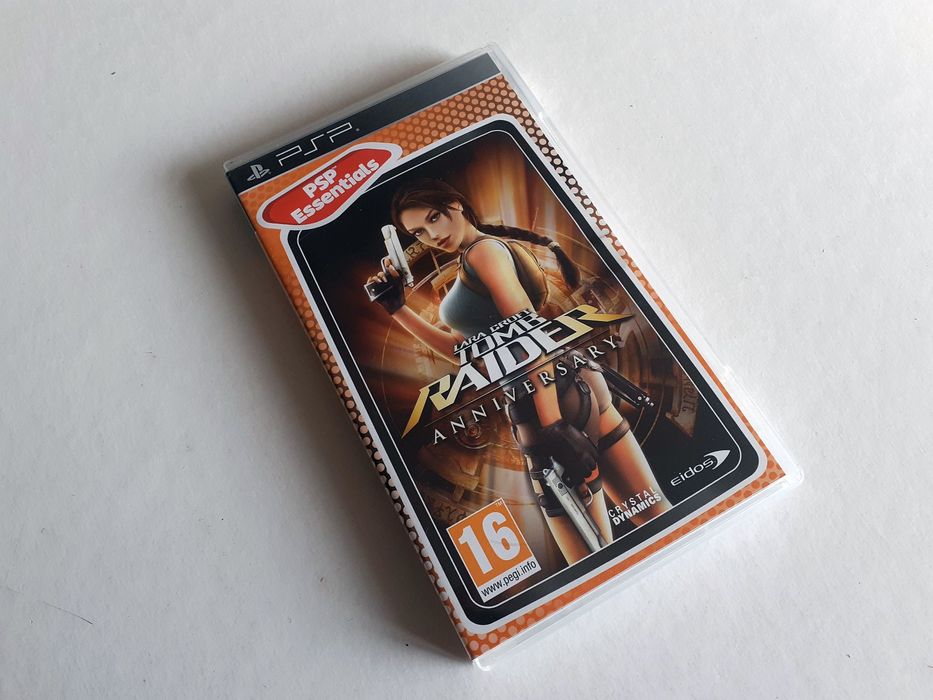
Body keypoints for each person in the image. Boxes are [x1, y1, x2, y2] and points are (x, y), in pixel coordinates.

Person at [366, 178, 670, 564]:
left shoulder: (483, 254)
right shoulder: (484, 254)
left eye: (434, 217)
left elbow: (526, 334)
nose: (433, 234)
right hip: (572, 381)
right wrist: (397, 309)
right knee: (659, 518)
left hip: (545, 398)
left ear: (455, 204)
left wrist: (552, 424)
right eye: (419, 232)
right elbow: (469, 352)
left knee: (593, 562)